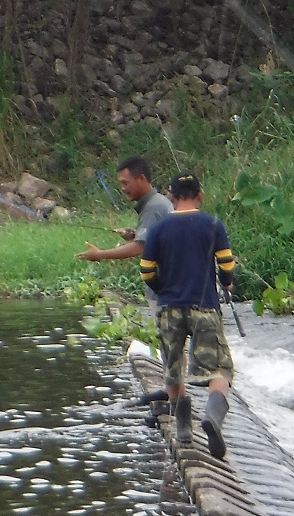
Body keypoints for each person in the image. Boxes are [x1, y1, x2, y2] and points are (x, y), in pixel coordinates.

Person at [138, 172, 237, 459]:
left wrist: (164, 288)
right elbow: (226, 264)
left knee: (173, 366)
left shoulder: (158, 228)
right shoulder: (213, 224)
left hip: (170, 308)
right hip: (204, 306)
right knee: (220, 369)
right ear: (200, 195)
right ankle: (213, 418)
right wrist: (227, 284)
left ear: (170, 196)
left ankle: (183, 428)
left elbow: (146, 271)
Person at [75, 155, 174, 422]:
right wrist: (134, 233)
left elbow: (142, 248)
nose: (123, 188)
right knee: (168, 343)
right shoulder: (154, 206)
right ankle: (171, 392)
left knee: (171, 342)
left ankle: (175, 399)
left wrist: (101, 254)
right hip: (165, 287)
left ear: (142, 179)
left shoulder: (153, 207)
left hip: (166, 287)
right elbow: (150, 238)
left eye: (125, 182)